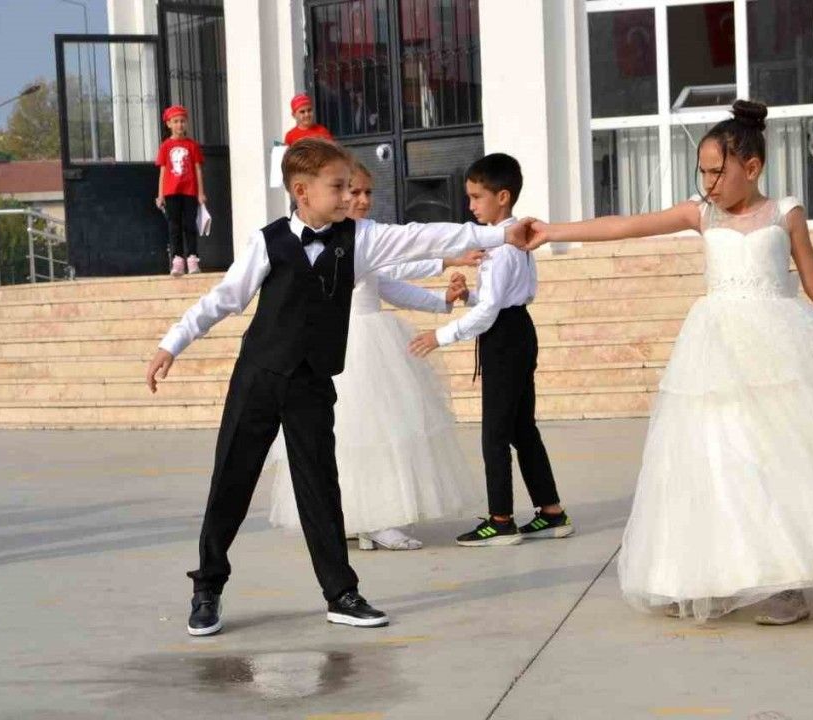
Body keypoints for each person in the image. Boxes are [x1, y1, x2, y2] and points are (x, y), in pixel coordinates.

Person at [527, 101, 813, 625]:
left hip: (781, 350)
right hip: (716, 355)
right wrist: (552, 231)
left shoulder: (785, 213)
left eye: (717, 171)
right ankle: (722, 578)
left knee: (782, 462)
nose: (708, 183)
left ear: (752, 167)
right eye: (702, 171)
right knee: (721, 460)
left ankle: (785, 584)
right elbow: (626, 225)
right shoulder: (700, 214)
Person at [145, 139, 533, 636]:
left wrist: (500, 233)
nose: (350, 196)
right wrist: (172, 343)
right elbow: (222, 300)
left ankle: (341, 593)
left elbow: (420, 237)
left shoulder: (361, 238)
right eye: (339, 187)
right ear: (302, 191)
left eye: (351, 187)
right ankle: (208, 586)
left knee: (321, 488)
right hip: (259, 377)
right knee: (231, 483)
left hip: (312, 383)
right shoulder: (267, 242)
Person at [265, 161, 483, 551]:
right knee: (347, 435)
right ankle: (358, 517)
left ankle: (375, 517)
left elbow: (388, 280)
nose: (363, 200)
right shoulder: (321, 239)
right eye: (354, 192)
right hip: (340, 346)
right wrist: (446, 261)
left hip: (371, 342)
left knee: (378, 431)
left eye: (368, 193)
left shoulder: (365, 237)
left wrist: (441, 299)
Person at [409, 153, 572, 548]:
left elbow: (489, 312)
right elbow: (496, 301)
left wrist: (441, 335)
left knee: (495, 435)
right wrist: (468, 296)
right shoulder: (516, 240)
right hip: (516, 330)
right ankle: (551, 512)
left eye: (476, 197)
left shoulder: (504, 247)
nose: (470, 205)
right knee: (521, 428)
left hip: (505, 338)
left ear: (502, 196)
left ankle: (501, 520)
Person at [155, 105, 207, 277]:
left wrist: (200, 193)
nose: (180, 125)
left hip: (190, 191)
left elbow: (198, 169)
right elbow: (163, 171)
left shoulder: (192, 145)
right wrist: (160, 194)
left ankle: (192, 258)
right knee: (174, 226)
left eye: (182, 121)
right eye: (176, 121)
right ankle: (177, 260)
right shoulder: (165, 146)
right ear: (169, 124)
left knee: (190, 225)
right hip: (171, 192)